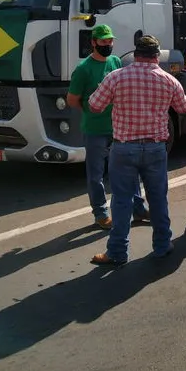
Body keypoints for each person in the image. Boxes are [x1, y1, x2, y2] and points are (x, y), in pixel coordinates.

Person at [87, 33, 186, 264]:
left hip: (124, 148)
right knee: (158, 199)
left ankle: (117, 252)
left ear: (135, 55)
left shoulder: (116, 77)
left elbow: (94, 105)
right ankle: (163, 245)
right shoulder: (168, 80)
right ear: (156, 56)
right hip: (155, 149)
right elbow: (183, 108)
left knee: (122, 201)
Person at [66, 24, 149, 230]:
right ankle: (101, 213)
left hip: (119, 127)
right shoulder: (83, 69)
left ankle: (138, 209)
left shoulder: (115, 61)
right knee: (96, 174)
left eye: (110, 41)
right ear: (93, 42)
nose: (108, 44)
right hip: (95, 130)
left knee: (129, 170)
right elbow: (72, 100)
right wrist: (90, 111)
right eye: (103, 41)